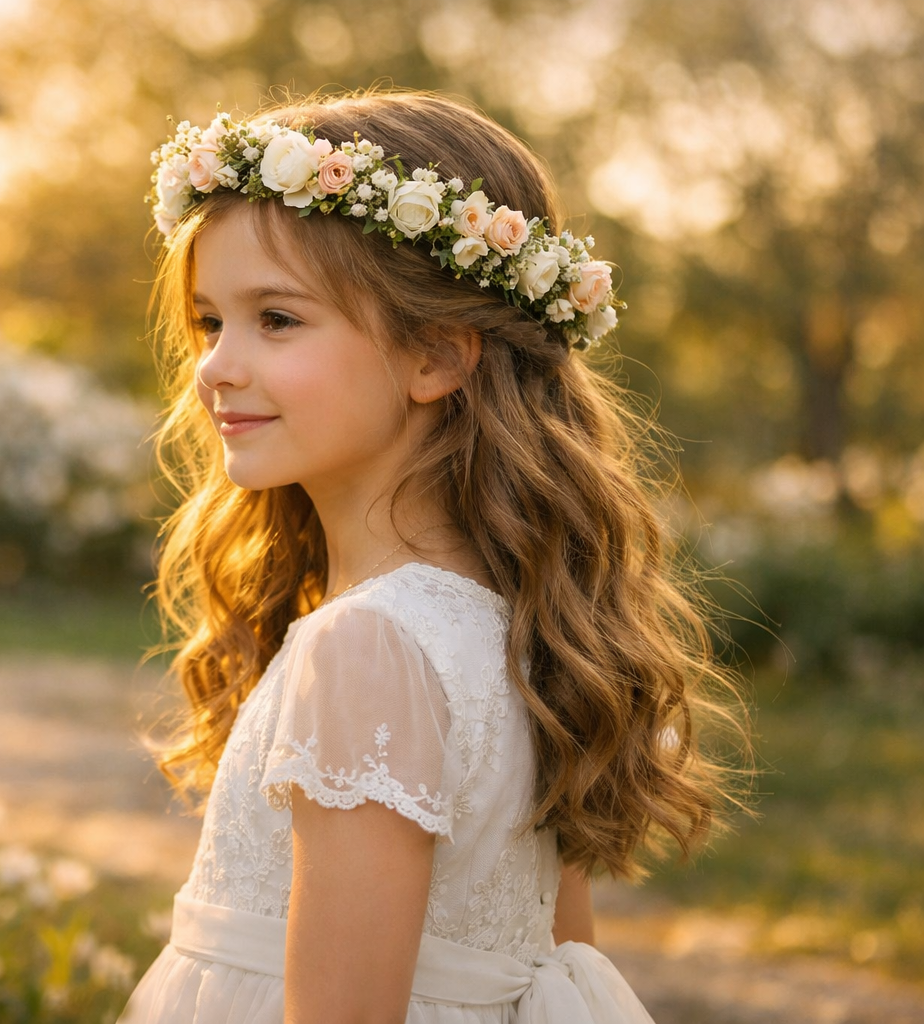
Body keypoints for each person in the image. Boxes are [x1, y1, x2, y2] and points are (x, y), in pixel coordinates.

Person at [120, 91, 749, 1024]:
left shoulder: (366, 648)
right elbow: (558, 968)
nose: (216, 365)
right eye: (211, 321)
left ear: (437, 358)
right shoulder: (527, 628)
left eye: (277, 319)